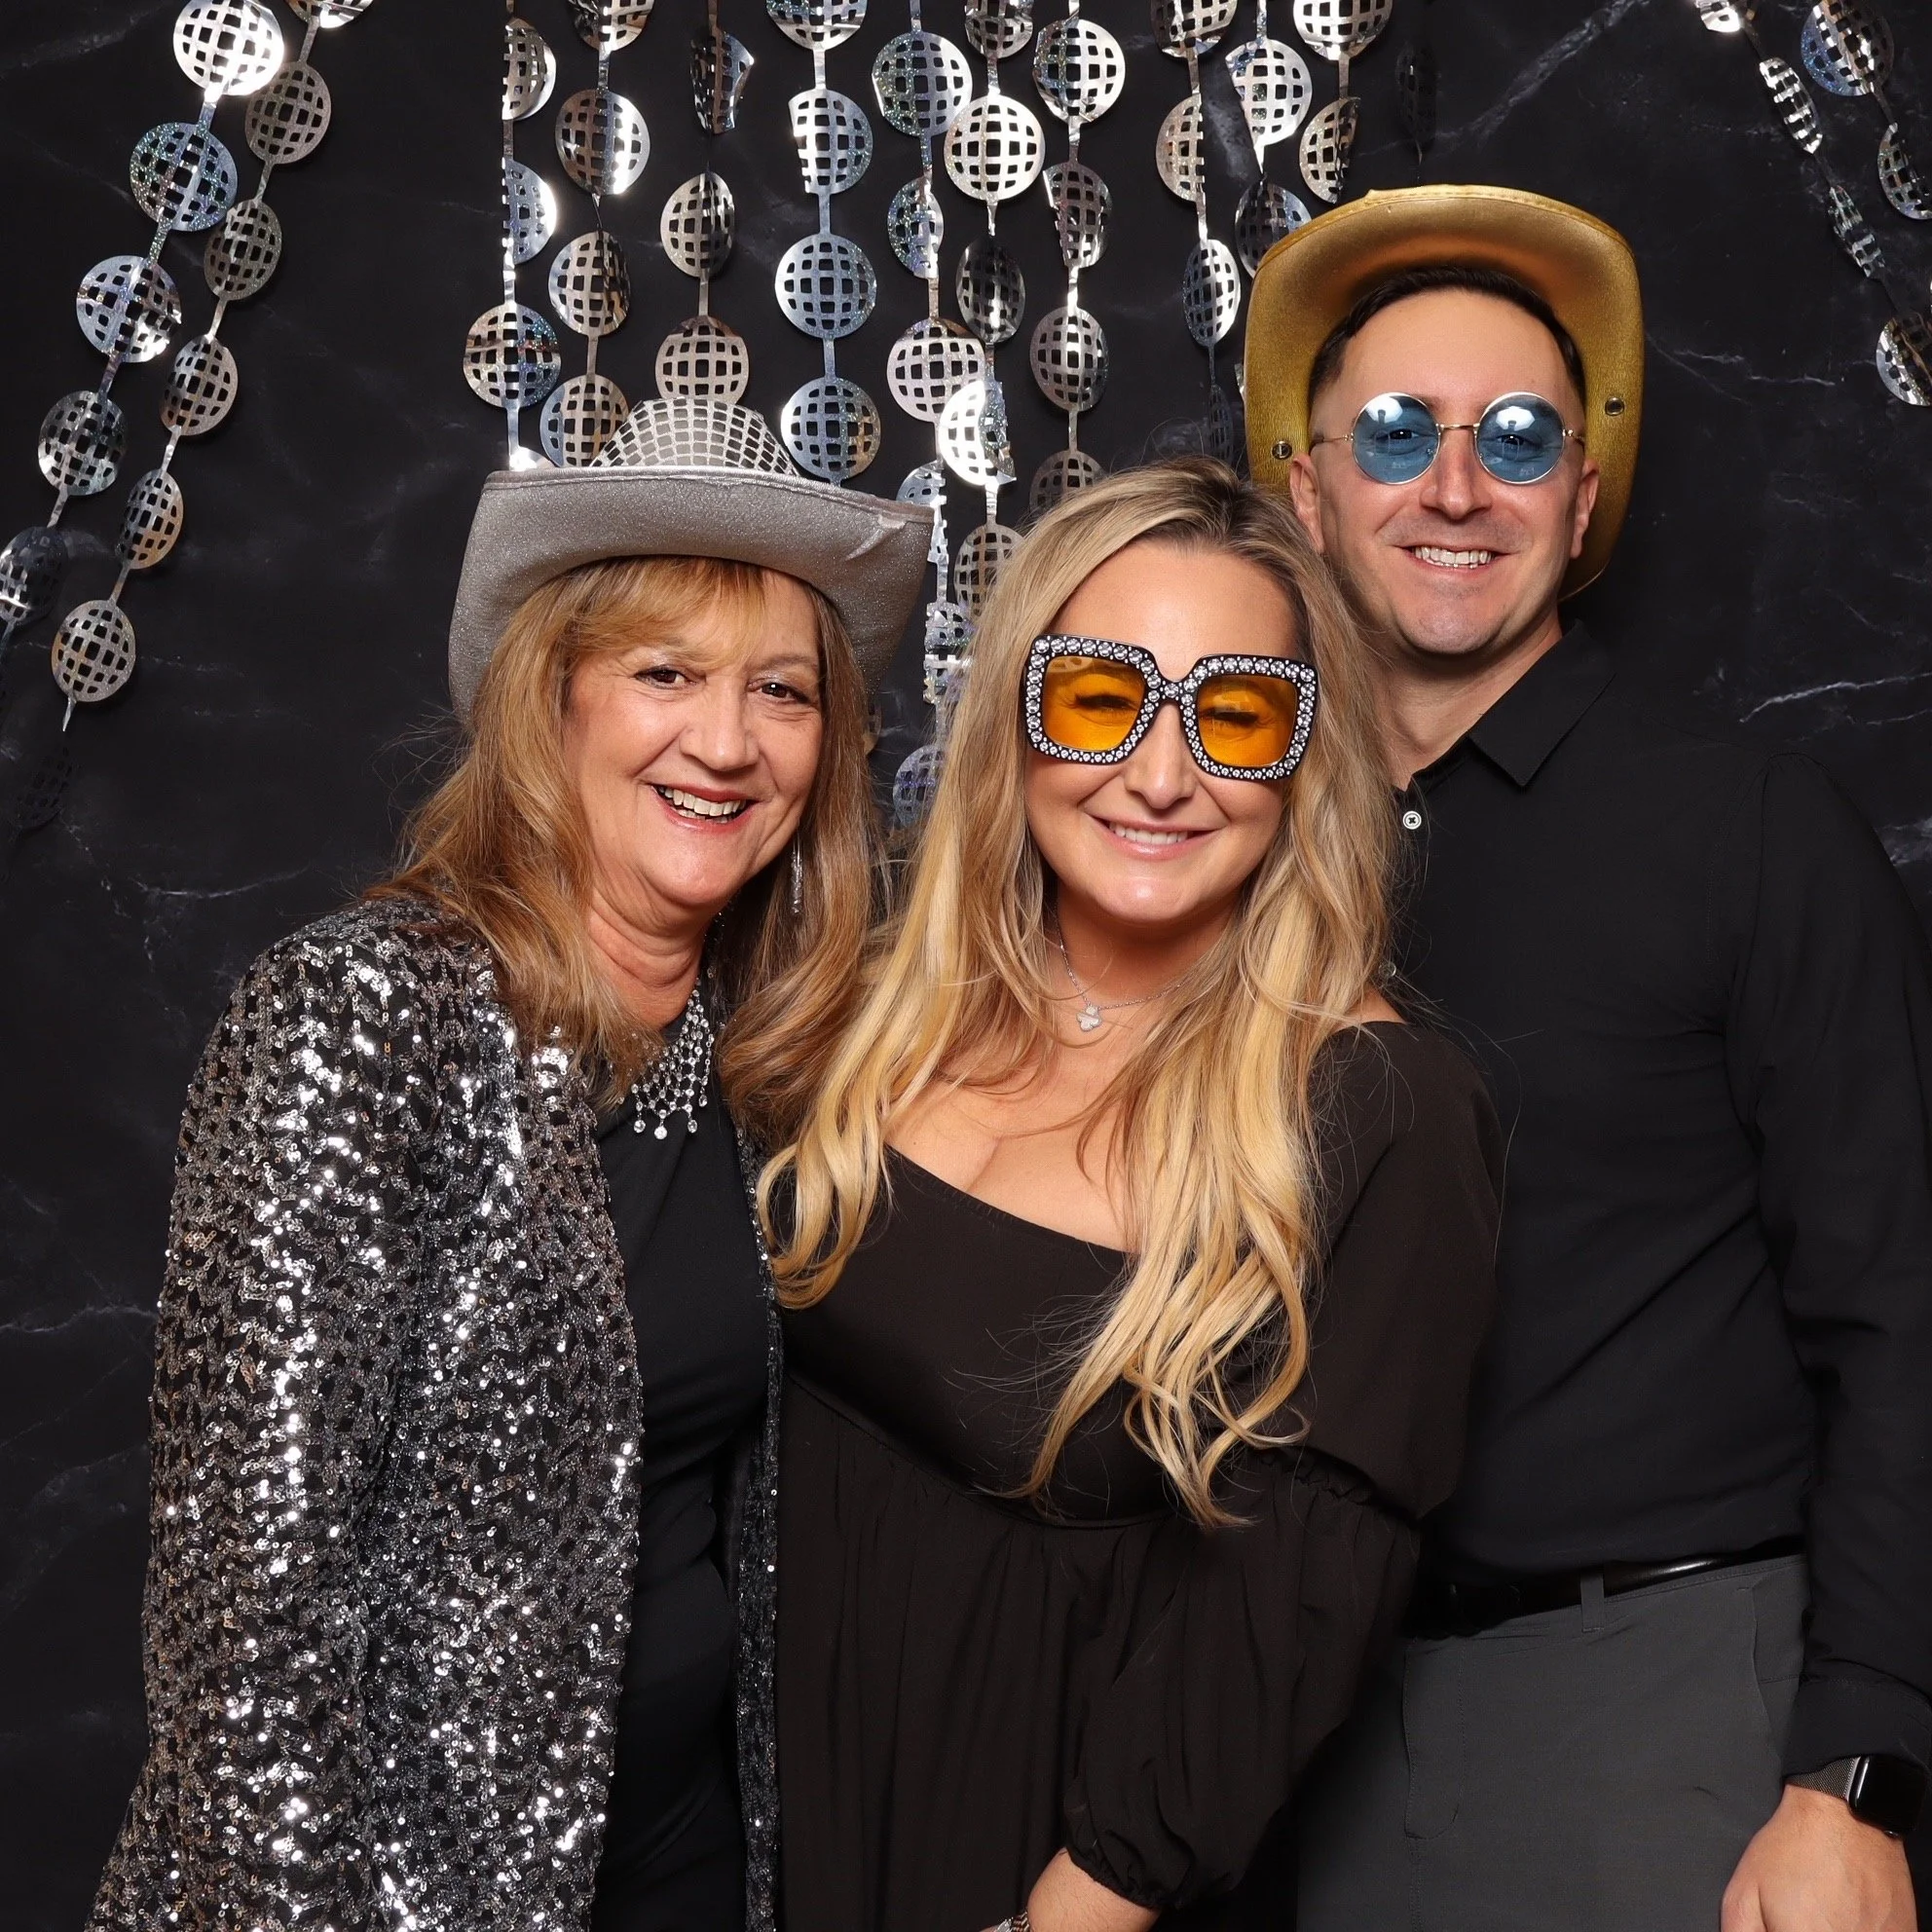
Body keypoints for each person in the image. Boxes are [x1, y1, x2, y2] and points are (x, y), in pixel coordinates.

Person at [82, 398, 933, 1932]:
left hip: (687, 1863)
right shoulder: (362, 1012)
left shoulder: (764, 1057)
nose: (726, 742)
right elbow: (244, 1616)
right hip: (402, 1895)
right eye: (664, 674)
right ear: (554, 699)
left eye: (782, 691)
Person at [1241, 184, 1932, 1930]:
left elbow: (1905, 1315)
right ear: (1306, 492)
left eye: (1518, 438)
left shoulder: (1748, 831)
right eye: (1396, 432)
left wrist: (1856, 1775)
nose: (1455, 486)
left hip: (1668, 1720)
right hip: (1288, 1739)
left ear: (1583, 495)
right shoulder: (1218, 840)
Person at [761, 458, 1504, 1931]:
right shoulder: (873, 1005)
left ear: (1304, 757)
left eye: (1236, 715)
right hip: (760, 1821)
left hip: (1030, 1879)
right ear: (1016, 717)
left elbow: (1294, 1611)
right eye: (1103, 699)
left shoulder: (1380, 1108)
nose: (1162, 776)